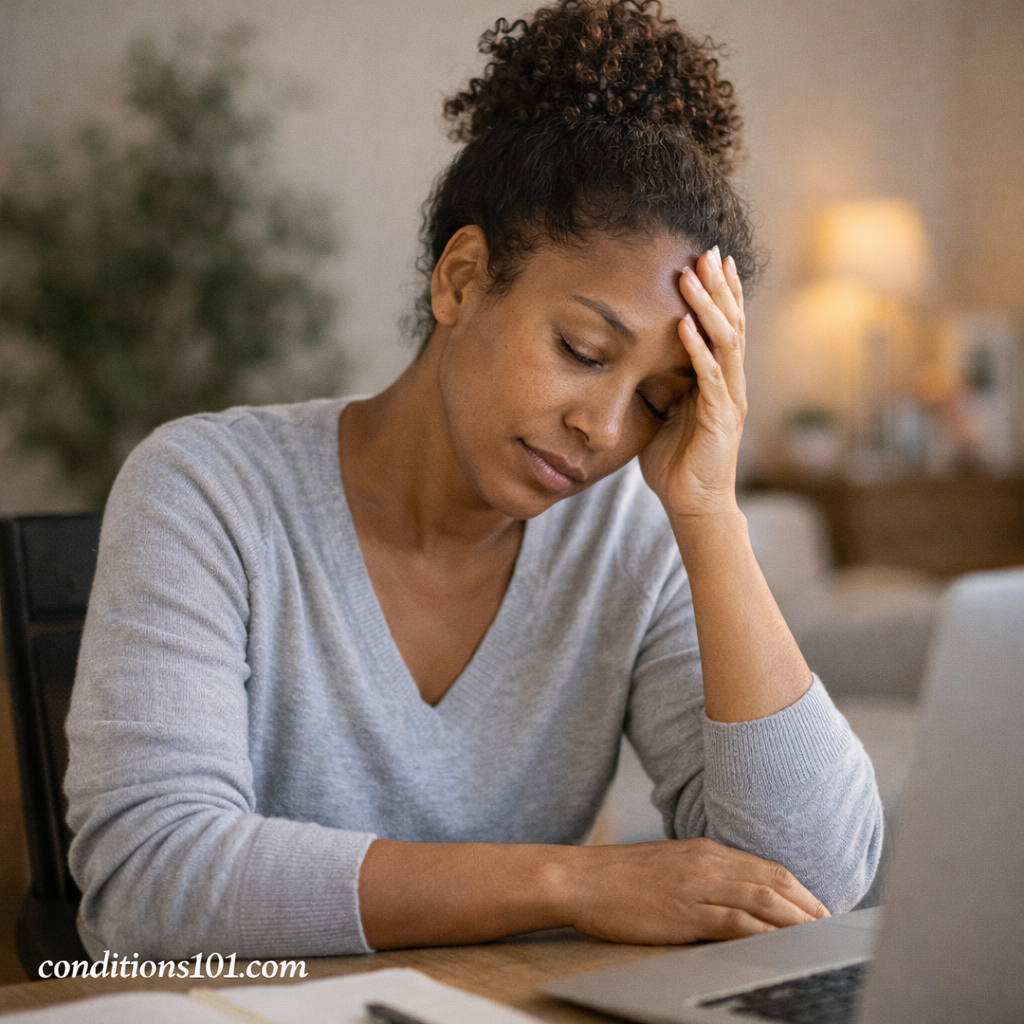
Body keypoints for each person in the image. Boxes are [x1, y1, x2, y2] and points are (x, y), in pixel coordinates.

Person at [66, 0, 882, 960]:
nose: (605, 429)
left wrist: (708, 514)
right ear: (459, 278)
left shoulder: (630, 539)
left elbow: (811, 881)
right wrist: (569, 881)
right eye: (582, 349)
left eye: (659, 400)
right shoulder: (205, 492)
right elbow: (148, 882)